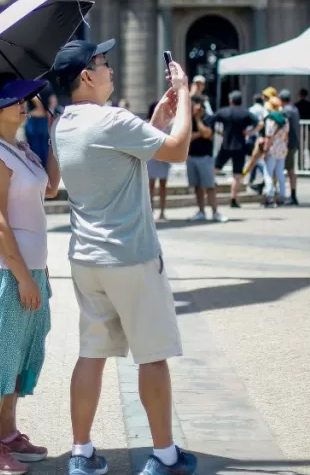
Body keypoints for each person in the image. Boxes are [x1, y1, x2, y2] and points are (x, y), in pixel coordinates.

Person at [49, 39, 198, 475]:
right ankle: (165, 455)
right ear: (86, 77)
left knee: (91, 352)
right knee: (151, 355)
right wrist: (185, 93)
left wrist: (154, 121)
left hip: (86, 257)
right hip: (130, 255)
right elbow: (178, 150)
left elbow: (119, 157)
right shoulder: (111, 119)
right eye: (104, 63)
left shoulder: (64, 124)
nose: (110, 69)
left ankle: (81, 452)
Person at [0, 73, 60, 475]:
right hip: (3, 268)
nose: (24, 103)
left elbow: (51, 189)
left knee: (19, 353)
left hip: (29, 266)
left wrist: (54, 138)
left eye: (24, 98)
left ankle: (8, 434)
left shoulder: (19, 148)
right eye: (14, 99)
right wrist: (22, 276)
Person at [211, 90, 256, 208]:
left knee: (215, 167)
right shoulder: (245, 113)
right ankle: (233, 199)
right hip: (240, 146)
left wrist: (217, 132)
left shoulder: (224, 111)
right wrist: (250, 132)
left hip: (226, 145)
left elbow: (211, 119)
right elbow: (259, 122)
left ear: (231, 100)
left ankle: (208, 187)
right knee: (237, 175)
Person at [260, 97, 289, 207]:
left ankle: (270, 197)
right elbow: (287, 136)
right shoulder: (285, 119)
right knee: (280, 173)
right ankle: (282, 196)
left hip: (273, 149)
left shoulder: (270, 119)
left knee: (268, 173)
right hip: (282, 148)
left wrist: (265, 150)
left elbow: (269, 136)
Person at [146, 100, 171, 221]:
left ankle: (162, 211)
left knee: (163, 186)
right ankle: (150, 210)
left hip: (163, 158)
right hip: (151, 157)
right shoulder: (147, 124)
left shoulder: (166, 123)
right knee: (150, 186)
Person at [278, 89, 301, 205]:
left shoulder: (285, 111)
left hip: (288, 144)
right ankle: (292, 194)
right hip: (294, 142)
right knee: (289, 169)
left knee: (287, 169)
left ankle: (290, 195)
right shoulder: (295, 109)